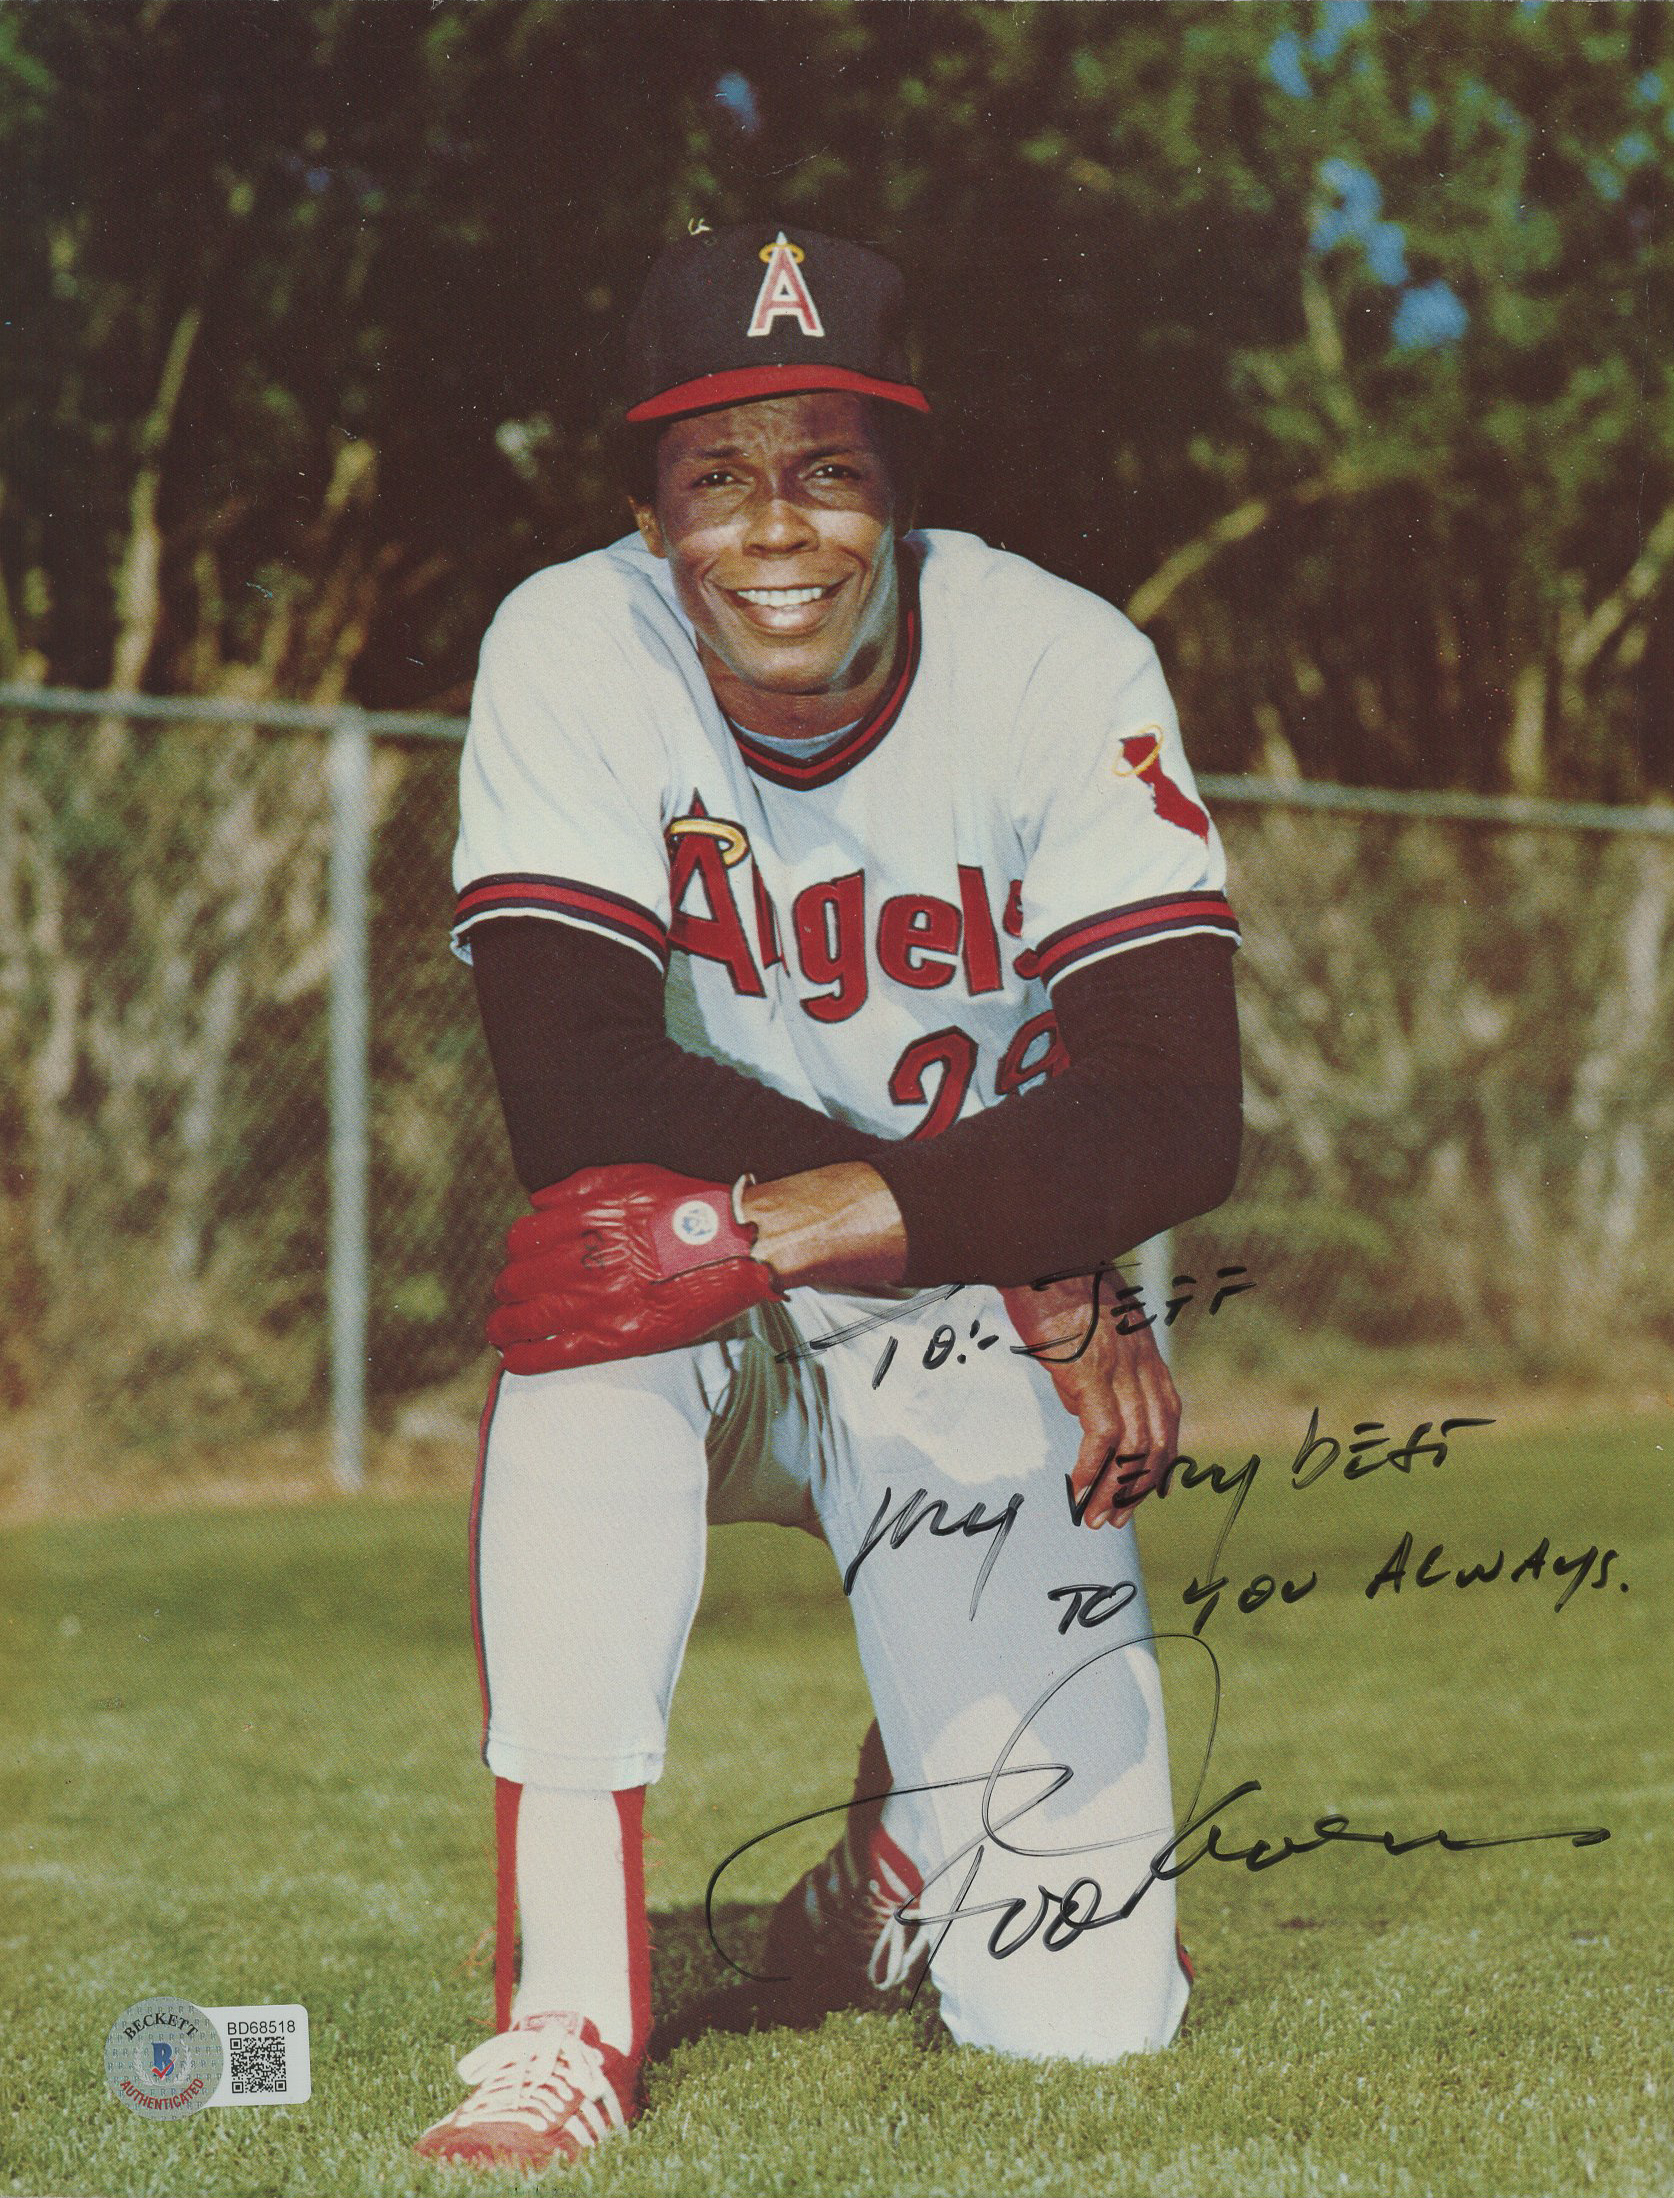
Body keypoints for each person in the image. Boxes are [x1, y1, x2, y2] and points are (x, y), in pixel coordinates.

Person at [416, 224, 1243, 2171]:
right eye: (716, 473)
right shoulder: (574, 639)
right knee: (593, 1287)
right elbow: (575, 1081)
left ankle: (898, 1853)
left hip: (948, 1310)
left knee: (1080, 2025)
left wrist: (946, 1238)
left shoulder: (1056, 659)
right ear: (646, 504)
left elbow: (1174, 1110)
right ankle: (567, 2019)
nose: (773, 527)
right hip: (713, 1286)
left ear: (907, 490)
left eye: (830, 467)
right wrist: (1018, 1227)